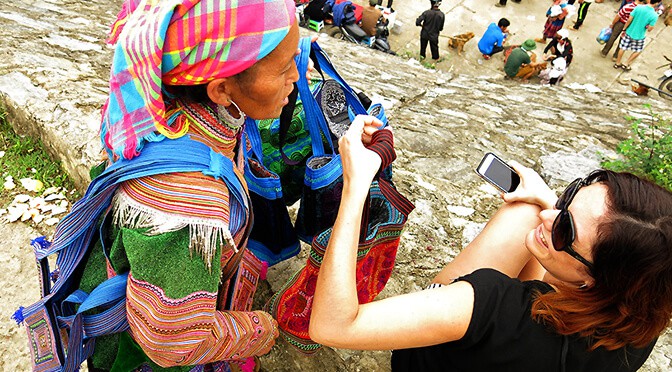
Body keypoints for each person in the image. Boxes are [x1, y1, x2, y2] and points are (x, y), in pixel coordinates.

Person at [308, 118, 672, 370]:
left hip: (435, 358)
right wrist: (549, 203)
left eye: (564, 230)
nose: (550, 215)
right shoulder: (644, 310)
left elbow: (334, 327)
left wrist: (357, 184)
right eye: (569, 196)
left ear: (593, 279)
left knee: (522, 215)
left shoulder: (490, 303)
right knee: (530, 212)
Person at [76, 0, 300, 370]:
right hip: (139, 354)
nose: (298, 73)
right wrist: (259, 329)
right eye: (284, 67)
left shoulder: (167, 109)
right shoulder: (187, 204)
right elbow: (170, 343)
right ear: (221, 89)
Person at [614, 0, 661, 71]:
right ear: (657, 3)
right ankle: (626, 63)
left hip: (629, 31)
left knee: (622, 47)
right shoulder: (654, 15)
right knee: (638, 50)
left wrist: (624, 29)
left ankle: (617, 63)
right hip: (639, 36)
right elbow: (650, 29)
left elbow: (629, 19)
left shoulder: (638, 7)